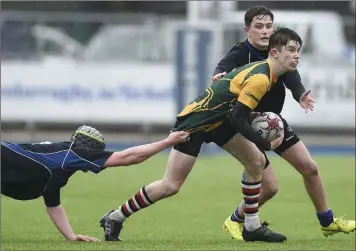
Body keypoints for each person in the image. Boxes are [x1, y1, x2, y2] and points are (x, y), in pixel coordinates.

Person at [99, 27, 308, 243]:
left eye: (298, 51)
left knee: (255, 162)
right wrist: (264, 142)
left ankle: (252, 226)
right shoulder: (261, 78)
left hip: (220, 122)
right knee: (170, 185)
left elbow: (237, 114)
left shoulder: (269, 74)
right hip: (196, 122)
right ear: (274, 53)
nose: (296, 55)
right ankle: (115, 217)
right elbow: (238, 118)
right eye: (291, 50)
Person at [212, 5, 355, 241]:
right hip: (248, 124)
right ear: (247, 29)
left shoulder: (278, 51)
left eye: (269, 25)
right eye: (259, 26)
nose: (265, 31)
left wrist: (300, 95)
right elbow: (223, 67)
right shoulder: (241, 52)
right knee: (270, 187)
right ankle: (238, 220)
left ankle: (328, 222)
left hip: (273, 124)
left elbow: (292, 77)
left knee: (310, 168)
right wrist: (219, 74)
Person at [1, 125, 189, 242]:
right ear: (91, 151)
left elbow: (53, 205)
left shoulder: (57, 168)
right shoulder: (74, 155)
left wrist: (71, 236)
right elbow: (129, 157)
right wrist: (168, 141)